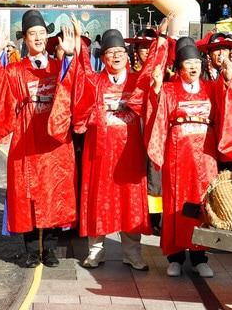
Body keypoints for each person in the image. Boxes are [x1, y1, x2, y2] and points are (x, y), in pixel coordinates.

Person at [53, 29, 160, 270]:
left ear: (127, 55)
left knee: (130, 200)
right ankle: (95, 251)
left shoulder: (136, 81)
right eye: (111, 53)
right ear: (103, 58)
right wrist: (78, 44)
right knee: (98, 199)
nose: (116, 57)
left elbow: (152, 68)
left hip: (129, 153)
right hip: (99, 152)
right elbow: (81, 74)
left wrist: (160, 40)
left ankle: (132, 253)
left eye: (120, 52)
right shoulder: (95, 81)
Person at [146, 37, 232, 277]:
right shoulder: (170, 90)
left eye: (196, 63)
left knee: (202, 202)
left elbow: (228, 105)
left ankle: (200, 256)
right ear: (179, 68)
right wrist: (156, 89)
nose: (192, 67)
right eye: (187, 63)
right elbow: (156, 116)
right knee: (176, 203)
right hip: (178, 154)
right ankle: (175, 256)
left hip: (206, 154)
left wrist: (229, 80)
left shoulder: (211, 88)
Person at [0, 10, 81, 268]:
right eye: (33, 34)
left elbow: (76, 85)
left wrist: (72, 55)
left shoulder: (58, 66)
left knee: (55, 190)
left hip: (55, 138)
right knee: (27, 192)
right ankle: (31, 250)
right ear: (25, 39)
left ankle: (50, 249)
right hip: (27, 136)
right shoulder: (15, 69)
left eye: (42, 33)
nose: (38, 38)